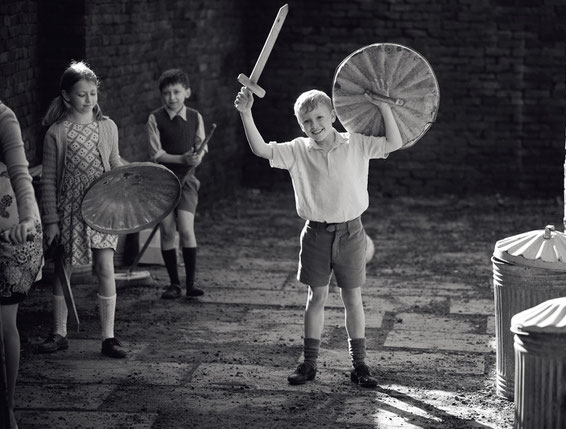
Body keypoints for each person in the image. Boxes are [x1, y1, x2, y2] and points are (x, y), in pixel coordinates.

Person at [233, 83, 403, 388]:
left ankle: (360, 365)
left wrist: (384, 107)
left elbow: (395, 142)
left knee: (353, 297)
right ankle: (309, 364)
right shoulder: (298, 150)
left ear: (334, 116)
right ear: (300, 125)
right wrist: (246, 114)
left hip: (352, 232)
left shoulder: (357, 143)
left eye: (320, 118)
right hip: (315, 234)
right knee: (316, 297)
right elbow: (261, 149)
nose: (315, 126)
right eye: (307, 122)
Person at [38, 61, 127, 358]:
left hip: (101, 206)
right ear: (66, 96)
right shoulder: (57, 133)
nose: (89, 99)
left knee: (105, 267)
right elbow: (48, 180)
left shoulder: (108, 127)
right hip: (70, 209)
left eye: (92, 93)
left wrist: (129, 179)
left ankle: (108, 337)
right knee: (63, 271)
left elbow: (114, 164)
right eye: (81, 94)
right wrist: (51, 221)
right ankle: (59, 332)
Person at [0, 101, 43, 429]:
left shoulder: (3, 117)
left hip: (10, 227)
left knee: (3, 322)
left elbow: (20, 173)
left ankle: (8, 408)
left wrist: (28, 219)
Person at [147, 68, 206, 300]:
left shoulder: (195, 117)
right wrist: (181, 158)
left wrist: (195, 157)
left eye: (176, 92)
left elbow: (201, 147)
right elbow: (156, 154)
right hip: (162, 182)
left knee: (186, 228)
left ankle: (190, 284)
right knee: (168, 230)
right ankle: (174, 284)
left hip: (187, 181)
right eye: (166, 93)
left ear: (187, 92)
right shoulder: (155, 118)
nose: (172, 97)